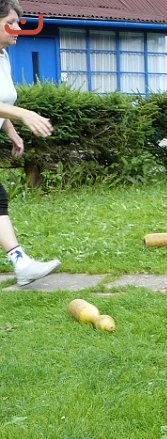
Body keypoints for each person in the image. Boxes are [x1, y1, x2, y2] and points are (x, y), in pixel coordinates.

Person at [0, 0, 60, 286]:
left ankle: (20, 262)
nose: (17, 29)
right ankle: (21, 263)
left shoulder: (3, 57)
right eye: (10, 23)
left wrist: (11, 130)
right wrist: (24, 114)